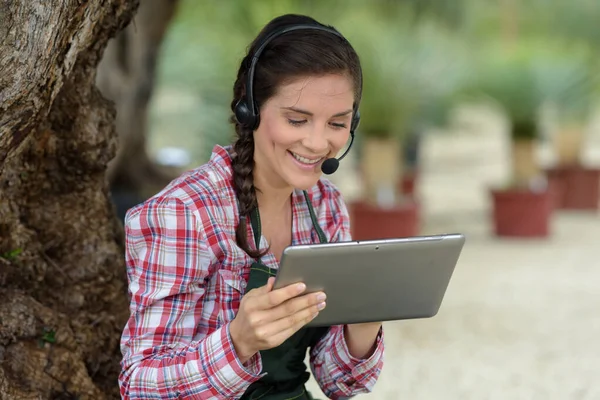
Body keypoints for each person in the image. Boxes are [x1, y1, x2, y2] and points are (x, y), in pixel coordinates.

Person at [118, 13, 385, 400]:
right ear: (250, 111)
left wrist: (365, 322)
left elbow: (337, 381)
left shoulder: (326, 205)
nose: (316, 143)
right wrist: (237, 342)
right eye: (297, 119)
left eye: (337, 123)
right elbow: (139, 385)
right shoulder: (183, 212)